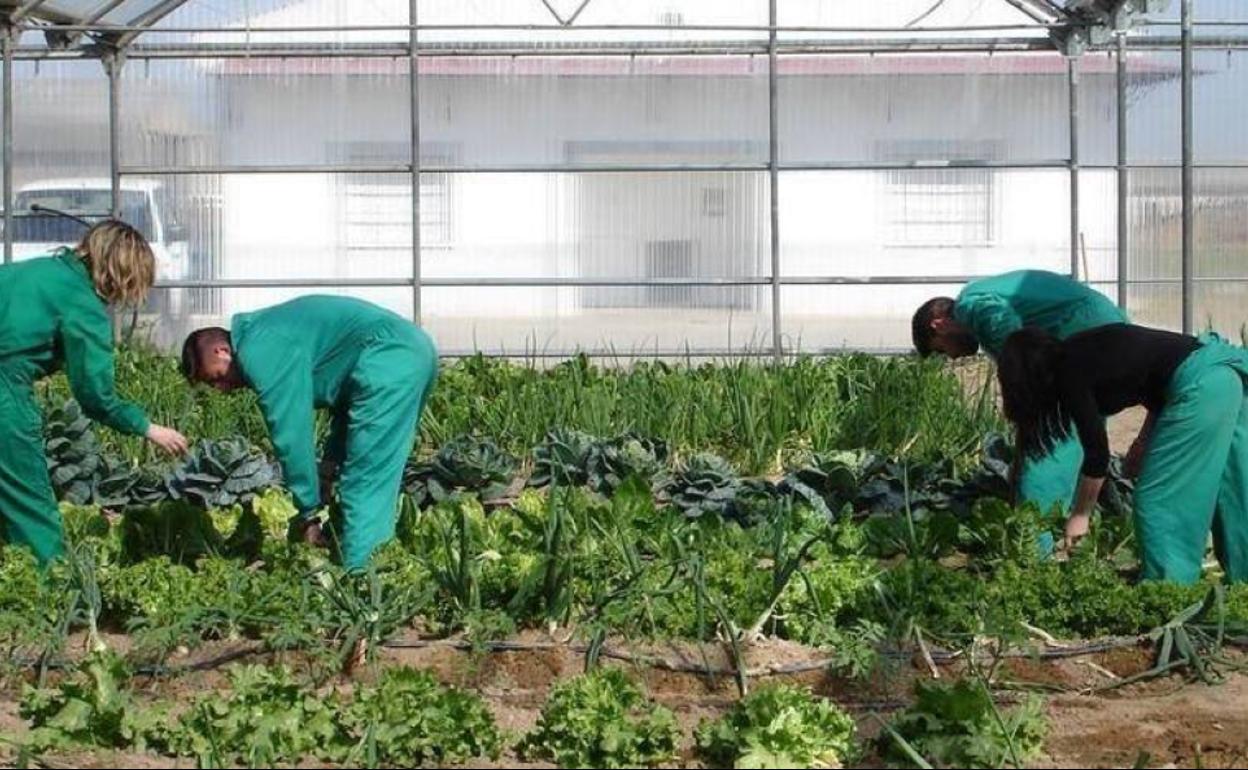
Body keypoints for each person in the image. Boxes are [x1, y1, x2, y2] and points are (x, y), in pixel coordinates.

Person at [179, 295, 438, 570]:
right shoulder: (267, 332)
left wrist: (308, 513)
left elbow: (292, 434)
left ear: (222, 351)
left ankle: (364, 586)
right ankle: (363, 563)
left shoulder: (259, 351)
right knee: (371, 476)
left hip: (391, 358)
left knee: (365, 482)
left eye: (216, 378)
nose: (223, 389)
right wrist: (327, 468)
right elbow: (347, 399)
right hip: (407, 353)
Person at [997, 323, 1248, 584]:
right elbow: (1159, 376)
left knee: (1159, 501)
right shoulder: (1081, 348)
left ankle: (1170, 592)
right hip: (1225, 375)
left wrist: (1080, 516)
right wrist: (1143, 443)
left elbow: (1097, 456)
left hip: (1200, 385)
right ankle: (1244, 583)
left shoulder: (1069, 373)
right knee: (1232, 489)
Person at [0, 220, 189, 565]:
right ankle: (51, 597)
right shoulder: (81, 303)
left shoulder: (33, 270)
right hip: (5, 394)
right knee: (30, 509)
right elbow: (94, 396)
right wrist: (149, 428)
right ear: (120, 275)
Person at [912, 270, 1128, 515]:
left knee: (1051, 441)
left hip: (1082, 330)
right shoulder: (982, 303)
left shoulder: (969, 304)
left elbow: (1011, 335)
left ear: (938, 325)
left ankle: (1036, 537)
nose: (952, 356)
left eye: (942, 349)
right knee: (1081, 435)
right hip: (1103, 328)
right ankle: (1076, 520)